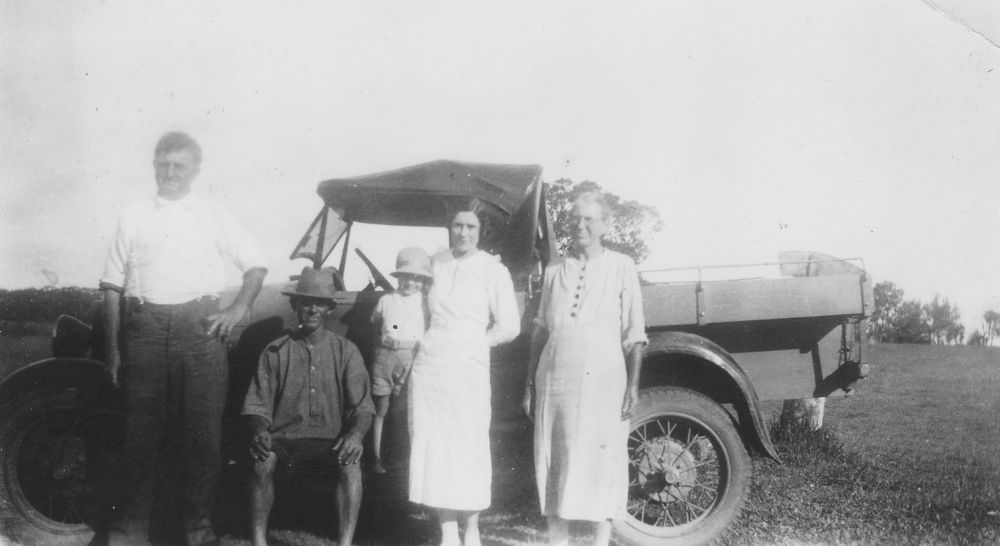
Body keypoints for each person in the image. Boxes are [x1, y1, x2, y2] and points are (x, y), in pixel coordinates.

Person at [100, 131, 267, 546]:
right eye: (163, 164)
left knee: (202, 441)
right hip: (144, 330)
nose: (170, 173)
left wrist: (237, 309)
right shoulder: (134, 214)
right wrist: (113, 351)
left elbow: (256, 265)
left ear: (195, 170)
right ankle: (129, 531)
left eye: (179, 166)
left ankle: (198, 532)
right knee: (139, 438)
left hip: (200, 331)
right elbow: (112, 288)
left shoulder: (213, 212)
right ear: (154, 166)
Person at [522, 191, 647, 546]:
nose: (580, 225)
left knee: (602, 455)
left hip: (603, 379)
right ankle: (557, 540)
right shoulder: (553, 270)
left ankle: (600, 540)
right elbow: (541, 328)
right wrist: (529, 384)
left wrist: (633, 385)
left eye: (589, 219)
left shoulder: (621, 266)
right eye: (575, 218)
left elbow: (635, 331)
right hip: (554, 376)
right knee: (555, 455)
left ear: (605, 225)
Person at [408, 199, 520, 546]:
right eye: (457, 225)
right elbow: (412, 307)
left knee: (468, 445)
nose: (463, 232)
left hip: (468, 366)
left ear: (482, 231)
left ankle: (471, 529)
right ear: (449, 227)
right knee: (435, 444)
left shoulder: (492, 269)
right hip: (430, 366)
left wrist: (477, 343)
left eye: (471, 226)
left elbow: (510, 325)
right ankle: (446, 531)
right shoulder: (434, 262)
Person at [242, 267, 375, 546]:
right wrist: (259, 429)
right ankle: (258, 542)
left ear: (329, 309)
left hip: (330, 442)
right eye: (306, 302)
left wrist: (355, 435)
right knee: (261, 460)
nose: (313, 309)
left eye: (320, 303)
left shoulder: (346, 351)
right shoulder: (275, 351)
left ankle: (345, 543)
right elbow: (257, 406)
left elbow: (363, 407)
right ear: (295, 305)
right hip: (283, 440)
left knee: (351, 461)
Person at [369, 247, 432, 474]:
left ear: (424, 282)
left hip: (412, 358)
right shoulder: (386, 300)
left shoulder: (425, 303)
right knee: (381, 408)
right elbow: (375, 320)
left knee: (407, 409)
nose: (410, 282)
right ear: (398, 277)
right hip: (385, 357)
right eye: (405, 276)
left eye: (417, 278)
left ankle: (407, 459)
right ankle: (376, 457)